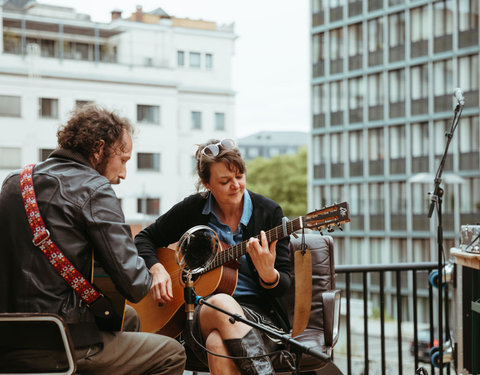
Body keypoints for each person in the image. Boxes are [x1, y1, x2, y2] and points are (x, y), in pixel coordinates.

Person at [0, 105, 186, 375]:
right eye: (123, 160)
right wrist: (152, 271)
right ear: (99, 148)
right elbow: (134, 285)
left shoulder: (14, 183)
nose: (123, 174)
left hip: (8, 339)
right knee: (172, 354)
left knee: (128, 318)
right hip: (62, 343)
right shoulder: (94, 188)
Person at [135, 138, 292, 375]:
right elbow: (143, 238)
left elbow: (284, 285)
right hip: (199, 315)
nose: (236, 185)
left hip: (258, 320)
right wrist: (156, 269)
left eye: (239, 177)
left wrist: (269, 274)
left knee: (217, 344)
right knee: (219, 302)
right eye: (224, 181)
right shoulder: (193, 209)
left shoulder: (268, 212)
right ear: (207, 184)